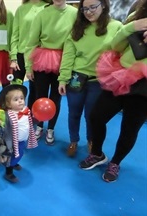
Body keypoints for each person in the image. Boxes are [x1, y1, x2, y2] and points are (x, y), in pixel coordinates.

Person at [79, 0, 147, 182]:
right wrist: (132, 26)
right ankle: (97, 154)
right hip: (121, 76)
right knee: (96, 116)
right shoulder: (136, 16)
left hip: (144, 87)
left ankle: (116, 162)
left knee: (129, 129)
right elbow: (115, 46)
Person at [58, 0, 122, 157]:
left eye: (93, 7)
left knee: (91, 115)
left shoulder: (116, 27)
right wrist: (62, 79)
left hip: (98, 81)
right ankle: (73, 140)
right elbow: (68, 55)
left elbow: (121, 54)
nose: (89, 11)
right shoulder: (78, 28)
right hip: (76, 78)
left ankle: (91, 141)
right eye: (85, 9)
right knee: (73, 112)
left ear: (104, 6)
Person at [24, 0, 77, 145]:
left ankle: (51, 129)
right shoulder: (42, 14)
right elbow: (32, 42)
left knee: (56, 97)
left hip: (64, 60)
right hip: (43, 60)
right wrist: (29, 67)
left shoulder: (75, 14)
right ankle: (40, 125)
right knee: (40, 96)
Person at [0, 79, 38, 183]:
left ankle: (15, 161)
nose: (20, 101)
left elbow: (30, 122)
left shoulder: (26, 111)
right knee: (11, 156)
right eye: (16, 99)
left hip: (22, 139)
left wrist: (37, 119)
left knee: (19, 153)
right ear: (8, 104)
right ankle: (8, 172)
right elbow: (1, 131)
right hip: (12, 142)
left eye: (22, 98)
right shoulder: (8, 115)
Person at [10, 0, 51, 110]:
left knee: (35, 90)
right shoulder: (21, 9)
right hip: (20, 54)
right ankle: (13, 116)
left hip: (37, 56)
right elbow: (15, 34)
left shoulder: (47, 7)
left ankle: (31, 118)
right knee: (15, 88)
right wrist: (13, 58)